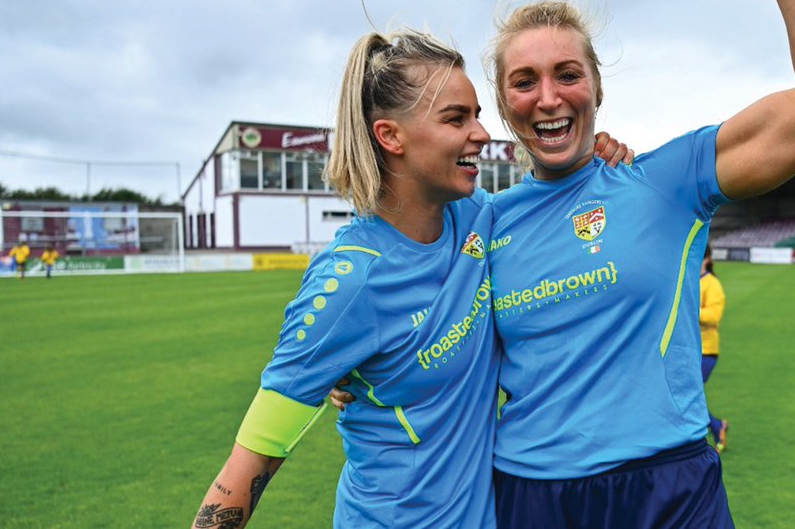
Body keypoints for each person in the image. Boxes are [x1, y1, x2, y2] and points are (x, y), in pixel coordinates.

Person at [484, 0, 795, 527]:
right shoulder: (482, 225)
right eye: (524, 82)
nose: (547, 97)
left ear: (597, 87)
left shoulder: (665, 182)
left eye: (567, 75)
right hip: (530, 496)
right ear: (504, 104)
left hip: (668, 490)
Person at [192, 28, 633, 528]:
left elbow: (557, 202)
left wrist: (596, 158)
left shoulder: (482, 219)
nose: (482, 134)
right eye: (455, 119)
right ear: (390, 136)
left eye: (477, 116)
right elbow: (254, 459)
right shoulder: (350, 282)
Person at [699, 247, 729, 452]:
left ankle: (717, 427)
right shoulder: (687, 280)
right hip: (686, 348)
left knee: (688, 396)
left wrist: (689, 307)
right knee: (687, 396)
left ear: (707, 259)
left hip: (706, 350)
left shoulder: (712, 284)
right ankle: (717, 425)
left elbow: (713, 316)